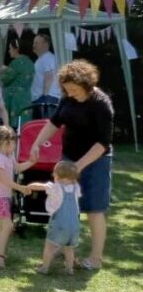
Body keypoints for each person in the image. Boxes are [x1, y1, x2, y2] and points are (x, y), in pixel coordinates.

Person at [28, 60, 113, 271]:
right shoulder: (67, 99)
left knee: (94, 208)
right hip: (69, 158)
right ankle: (65, 247)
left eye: (73, 89)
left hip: (95, 160)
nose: (70, 93)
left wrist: (79, 166)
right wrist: (37, 143)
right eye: (66, 90)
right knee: (65, 204)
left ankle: (95, 258)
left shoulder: (101, 104)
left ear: (85, 84)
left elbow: (103, 143)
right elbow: (54, 122)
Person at [0, 126, 31, 268]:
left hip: (3, 198)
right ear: (5, 143)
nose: (15, 146)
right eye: (14, 143)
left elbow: (18, 168)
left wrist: (32, 162)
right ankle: (0, 256)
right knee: (8, 225)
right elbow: (4, 180)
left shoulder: (8, 156)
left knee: (3, 226)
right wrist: (20, 187)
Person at [25, 160, 82, 276]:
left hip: (59, 223)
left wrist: (29, 186)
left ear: (57, 175)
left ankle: (44, 267)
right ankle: (69, 269)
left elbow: (40, 186)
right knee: (69, 248)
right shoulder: (76, 188)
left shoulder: (55, 187)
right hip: (74, 225)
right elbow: (74, 182)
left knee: (50, 246)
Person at [0, 37, 35, 122]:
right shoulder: (30, 62)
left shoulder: (15, 63)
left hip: (14, 98)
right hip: (26, 96)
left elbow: (6, 79)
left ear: (16, 49)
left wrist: (3, 70)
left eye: (10, 48)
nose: (9, 51)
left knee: (13, 124)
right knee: (24, 122)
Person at [30, 34, 60, 119]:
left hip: (46, 98)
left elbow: (49, 76)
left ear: (46, 44)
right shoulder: (41, 59)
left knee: (43, 126)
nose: (34, 45)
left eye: (36, 43)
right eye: (34, 43)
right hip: (42, 98)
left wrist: (44, 96)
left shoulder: (47, 57)